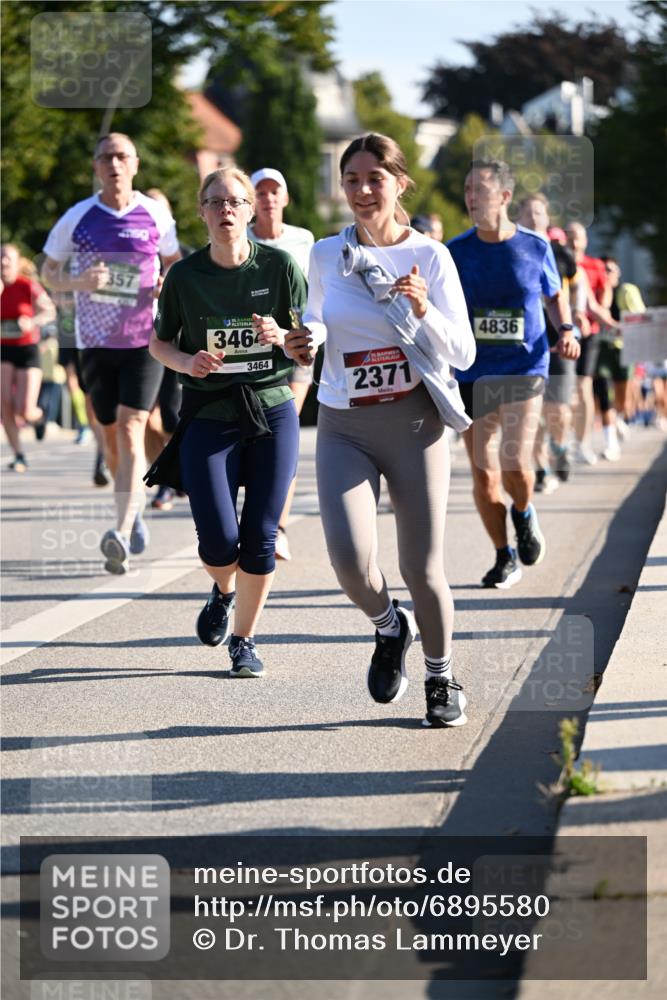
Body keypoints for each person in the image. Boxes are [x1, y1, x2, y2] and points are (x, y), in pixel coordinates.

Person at [285, 133, 476, 728]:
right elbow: (317, 319)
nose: (363, 191)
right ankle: (390, 627)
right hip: (344, 422)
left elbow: (463, 353)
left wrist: (424, 311)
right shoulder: (323, 254)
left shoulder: (433, 257)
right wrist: (304, 342)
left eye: (375, 179)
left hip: (414, 421)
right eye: (352, 181)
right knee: (348, 560)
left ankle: (442, 678)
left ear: (399, 184)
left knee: (422, 568)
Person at [149, 166, 307, 677]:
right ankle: (223, 590)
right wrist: (185, 362)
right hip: (209, 413)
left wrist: (281, 334)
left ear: (251, 209)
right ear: (201, 211)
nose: (226, 211)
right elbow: (159, 342)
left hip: (271, 407)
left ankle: (244, 638)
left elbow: (306, 341)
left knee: (261, 535)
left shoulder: (279, 266)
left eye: (236, 202)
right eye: (215, 203)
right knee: (218, 540)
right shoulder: (186, 276)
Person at [41, 133, 181, 573]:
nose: (114, 164)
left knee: (132, 425)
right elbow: (49, 271)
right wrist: (79, 284)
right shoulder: (78, 217)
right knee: (109, 435)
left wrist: (167, 286)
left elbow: (176, 264)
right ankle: (133, 506)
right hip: (95, 342)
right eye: (106, 157)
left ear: (135, 164)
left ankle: (119, 529)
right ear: (96, 166)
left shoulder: (155, 214)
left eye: (122, 156)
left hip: (144, 340)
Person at [447, 160, 580, 590]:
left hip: (525, 366)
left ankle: (523, 511)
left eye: (480, 189)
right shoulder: (455, 251)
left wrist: (568, 330)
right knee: (483, 474)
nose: (471, 197)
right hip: (472, 370)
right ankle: (503, 555)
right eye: (467, 189)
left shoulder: (536, 248)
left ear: (504, 197)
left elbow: (556, 296)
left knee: (512, 459)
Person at [248, 167, 315, 561]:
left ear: (285, 199)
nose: (269, 198)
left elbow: (317, 293)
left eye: (276, 191)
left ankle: (277, 526)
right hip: (253, 351)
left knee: (282, 430)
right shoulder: (239, 239)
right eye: (261, 191)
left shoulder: (304, 239)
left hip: (297, 347)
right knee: (255, 439)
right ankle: (258, 516)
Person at [516, 197, 578, 492]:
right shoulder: (510, 249)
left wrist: (574, 324)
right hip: (528, 339)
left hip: (559, 336)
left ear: (546, 217)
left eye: (538, 212)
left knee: (558, 410)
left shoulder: (560, 253)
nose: (533, 217)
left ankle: (561, 444)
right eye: (527, 212)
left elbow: (576, 289)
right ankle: (540, 469)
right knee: (533, 413)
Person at [1, 243, 56, 472]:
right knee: (4, 405)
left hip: (27, 348)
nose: (3, 263)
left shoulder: (28, 286)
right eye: (0, 258)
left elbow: (49, 310)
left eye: (8, 259)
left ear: (16, 263)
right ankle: (19, 454)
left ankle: (38, 418)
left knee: (24, 409)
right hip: (3, 348)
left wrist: (31, 322)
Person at [565, 222, 615, 465]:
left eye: (578, 238)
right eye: (570, 237)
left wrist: (610, 321)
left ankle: (582, 442)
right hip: (562, 333)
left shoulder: (595, 266)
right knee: (563, 389)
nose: (574, 242)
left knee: (584, 385)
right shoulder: (558, 264)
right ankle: (563, 441)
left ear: (585, 241)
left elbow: (601, 301)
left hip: (588, 333)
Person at [594, 255, 645, 459]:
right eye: (603, 270)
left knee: (622, 401)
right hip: (600, 348)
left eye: (610, 270)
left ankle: (618, 419)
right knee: (603, 392)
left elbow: (641, 316)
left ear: (618, 272)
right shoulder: (595, 292)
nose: (606, 273)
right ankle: (611, 442)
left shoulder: (627, 291)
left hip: (623, 349)